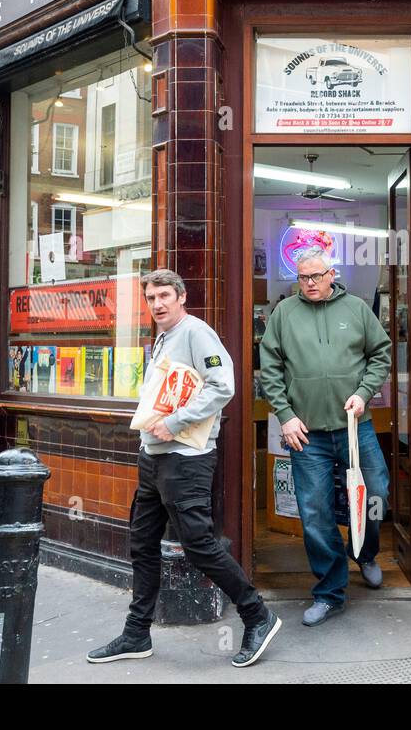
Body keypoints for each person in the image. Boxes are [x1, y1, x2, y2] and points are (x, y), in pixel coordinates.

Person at [88, 269, 281, 667]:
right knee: (142, 544)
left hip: (186, 459)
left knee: (198, 545)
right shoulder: (161, 337)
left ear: (181, 297)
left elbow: (222, 386)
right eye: (151, 297)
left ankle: (258, 615)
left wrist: (174, 423)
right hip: (153, 457)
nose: (157, 304)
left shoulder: (196, 332)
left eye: (164, 296)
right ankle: (136, 634)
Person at [259, 247, 393, 627]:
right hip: (307, 435)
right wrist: (285, 416)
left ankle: (365, 552)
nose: (310, 283)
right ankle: (330, 591)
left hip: (354, 427)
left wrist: (363, 393)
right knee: (315, 512)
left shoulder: (356, 309)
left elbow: (380, 354)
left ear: (331, 274)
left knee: (377, 493)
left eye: (317, 276)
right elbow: (269, 368)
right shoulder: (284, 314)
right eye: (303, 277)